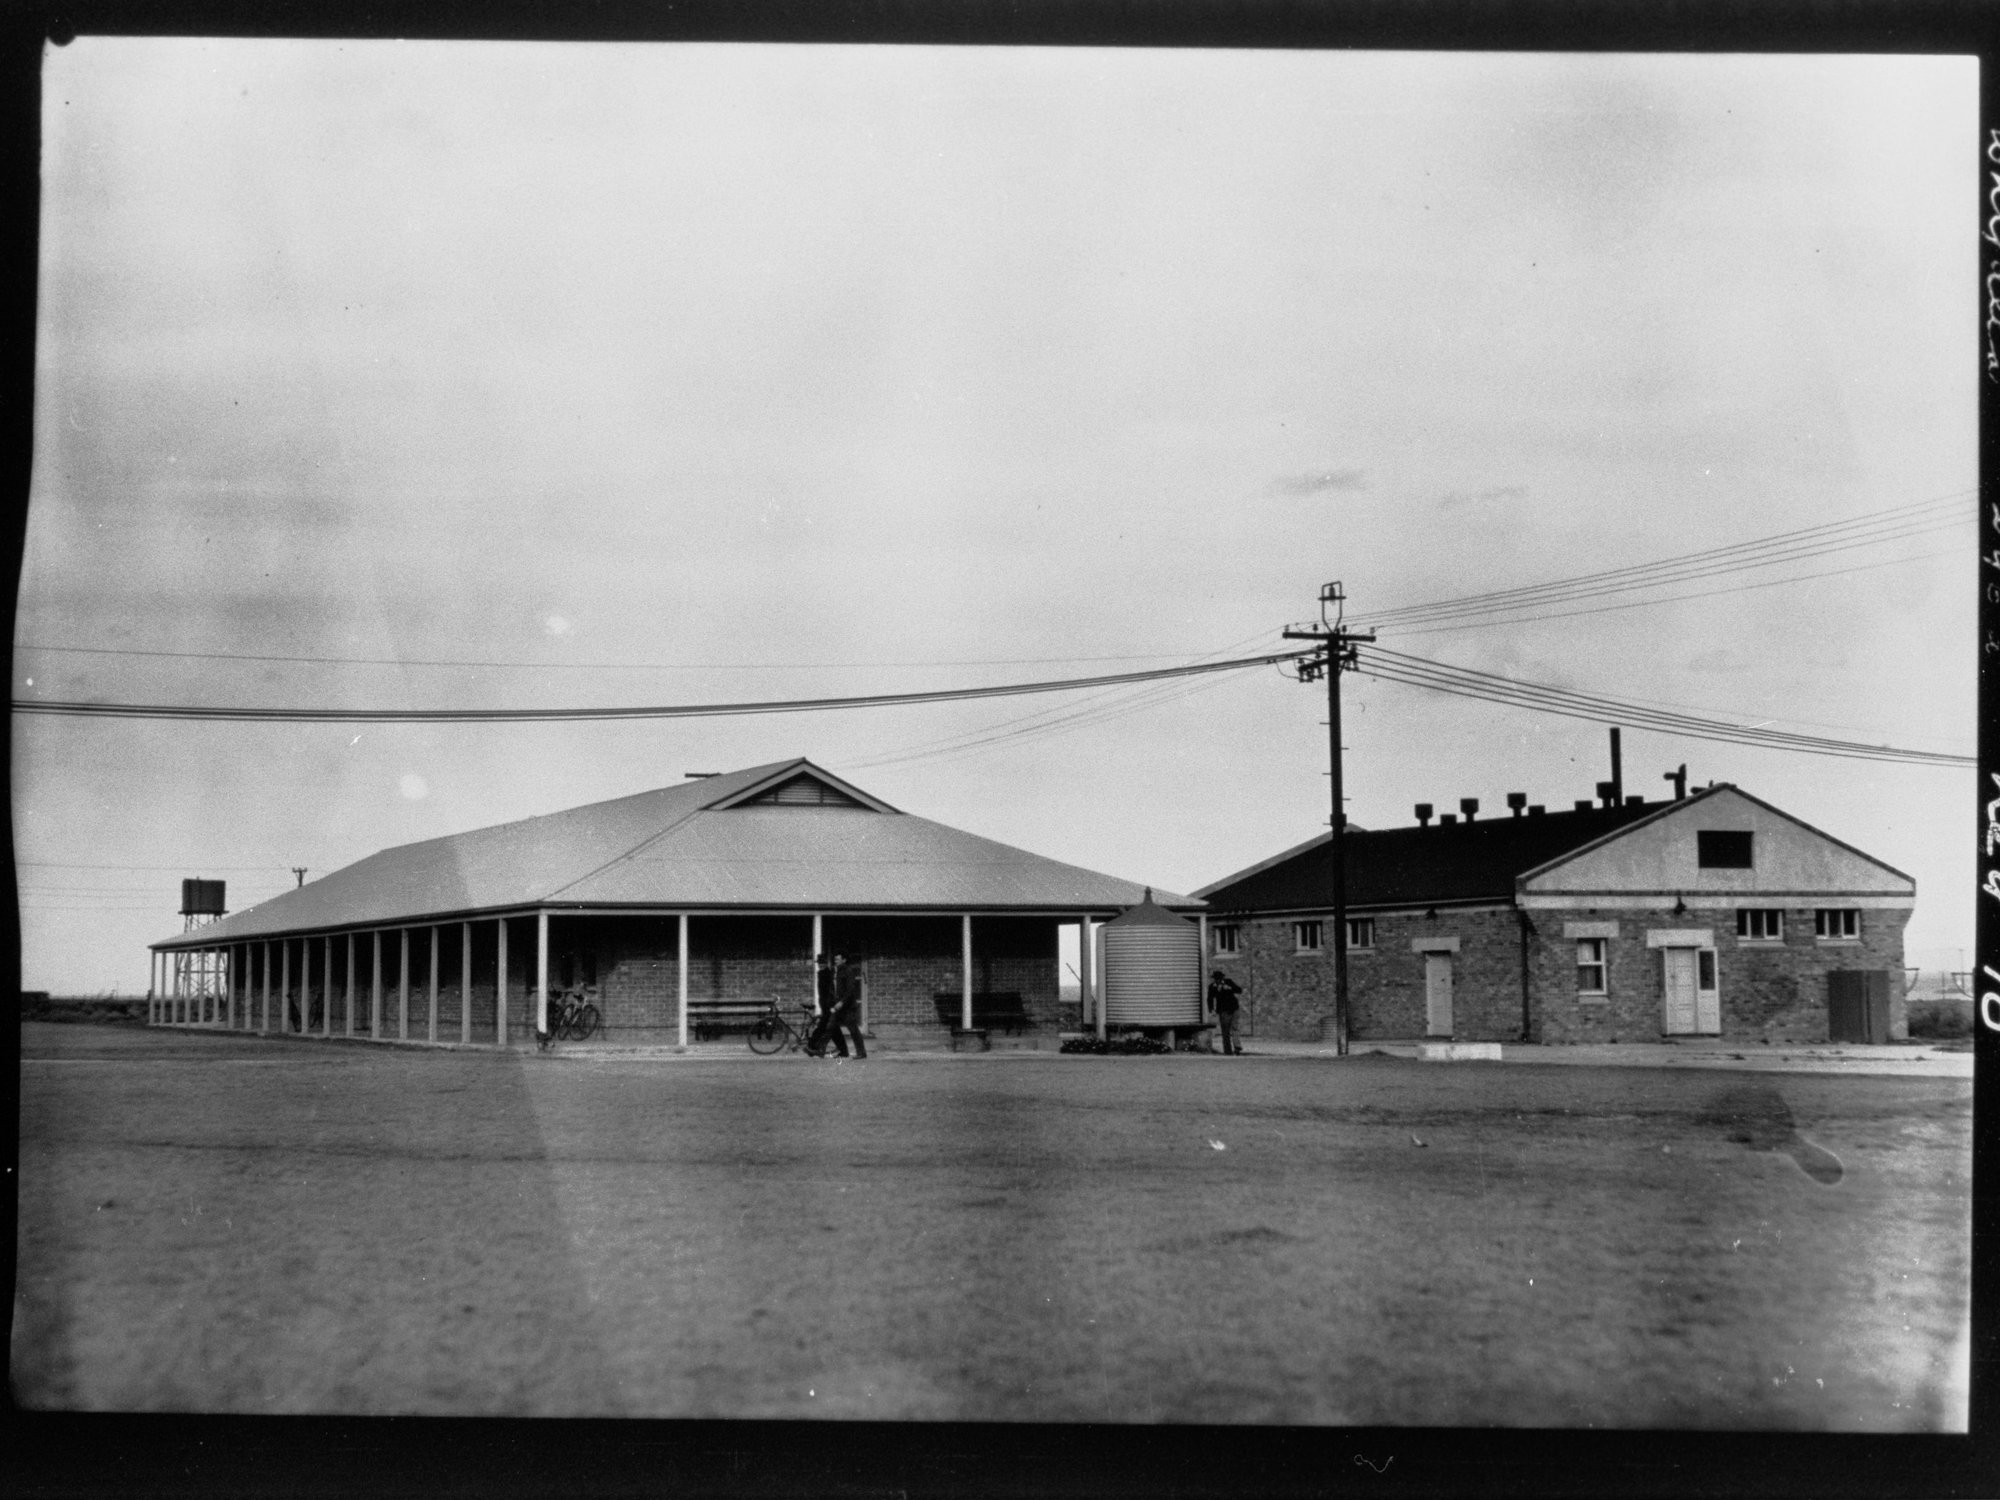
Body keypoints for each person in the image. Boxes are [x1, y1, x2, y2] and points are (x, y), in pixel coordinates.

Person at [806, 953, 845, 1057]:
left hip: (828, 1004)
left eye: (822, 963)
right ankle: (843, 1050)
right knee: (833, 1027)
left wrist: (830, 1004)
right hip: (825, 1003)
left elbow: (830, 991)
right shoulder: (823, 973)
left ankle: (812, 1045)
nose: (820, 965)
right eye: (819, 963)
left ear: (825, 964)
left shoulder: (826, 973)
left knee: (823, 1025)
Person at [830, 954, 867, 1059]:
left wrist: (842, 1002)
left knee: (853, 1029)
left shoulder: (848, 971)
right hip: (839, 1005)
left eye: (837, 959)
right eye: (835, 959)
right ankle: (843, 1051)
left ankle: (861, 1052)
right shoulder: (837, 971)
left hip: (848, 1006)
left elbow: (850, 990)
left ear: (844, 960)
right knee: (831, 1026)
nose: (835, 960)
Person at [1208, 969, 1244, 1055]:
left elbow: (1239, 990)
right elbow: (1210, 998)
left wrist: (1230, 988)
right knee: (1225, 1031)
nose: (1218, 981)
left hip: (1234, 1008)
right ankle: (1228, 1050)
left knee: (1235, 1028)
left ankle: (1237, 1047)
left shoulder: (1228, 982)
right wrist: (1211, 1009)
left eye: (1219, 979)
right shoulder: (1212, 987)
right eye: (1216, 979)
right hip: (1223, 1010)